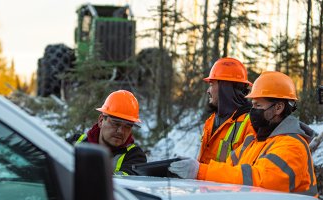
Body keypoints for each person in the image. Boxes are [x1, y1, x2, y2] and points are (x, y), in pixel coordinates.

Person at [169, 71, 318, 197]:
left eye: (258, 105)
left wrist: (200, 171)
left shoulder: (292, 145)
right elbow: (229, 169)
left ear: (278, 107)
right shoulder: (254, 142)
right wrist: (194, 168)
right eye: (252, 105)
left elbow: (261, 181)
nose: (253, 111)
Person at [67, 90, 147, 175]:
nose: (120, 131)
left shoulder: (135, 156)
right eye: (116, 124)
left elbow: (122, 185)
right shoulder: (76, 142)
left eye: (127, 126)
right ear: (101, 120)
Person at [199, 57, 255, 164]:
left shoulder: (250, 124)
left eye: (211, 85)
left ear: (225, 88)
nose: (208, 91)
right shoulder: (211, 121)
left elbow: (244, 173)